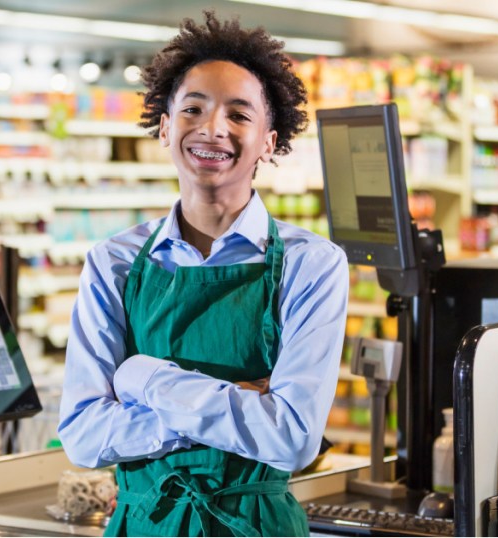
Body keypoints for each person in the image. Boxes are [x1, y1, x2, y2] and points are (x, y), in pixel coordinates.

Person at [58, 11, 349, 537]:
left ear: (268, 141)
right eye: (193, 108)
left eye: (239, 115)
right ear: (166, 127)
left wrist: (143, 379)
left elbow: (293, 440)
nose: (213, 127)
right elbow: (82, 435)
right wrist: (238, 404)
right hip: (143, 524)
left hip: (256, 525)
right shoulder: (114, 262)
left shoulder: (312, 264)